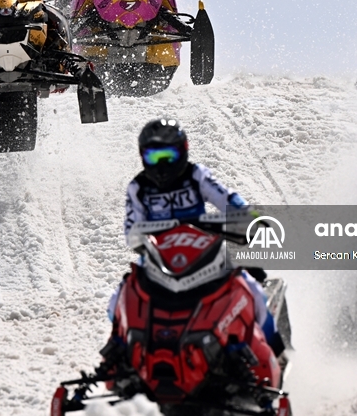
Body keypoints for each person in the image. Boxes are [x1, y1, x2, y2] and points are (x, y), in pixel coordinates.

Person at [108, 118, 282, 353]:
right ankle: (121, 352)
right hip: (158, 255)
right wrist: (142, 239)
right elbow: (131, 231)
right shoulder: (137, 187)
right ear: (142, 156)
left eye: (168, 156)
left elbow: (226, 198)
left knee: (253, 289)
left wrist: (250, 217)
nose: (162, 165)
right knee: (117, 299)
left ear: (183, 152)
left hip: (204, 249)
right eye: (153, 157)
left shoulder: (196, 175)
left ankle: (273, 350)